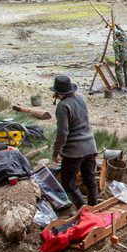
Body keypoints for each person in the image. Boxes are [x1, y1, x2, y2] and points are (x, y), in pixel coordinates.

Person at [50, 75, 99, 209]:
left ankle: (83, 210)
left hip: (73, 151)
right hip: (91, 146)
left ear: (57, 93)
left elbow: (62, 133)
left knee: (68, 183)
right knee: (90, 180)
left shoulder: (62, 106)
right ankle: (94, 209)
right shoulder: (81, 99)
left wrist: (56, 152)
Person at [112, 24, 127, 89]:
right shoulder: (125, 36)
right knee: (126, 70)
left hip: (121, 58)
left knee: (118, 71)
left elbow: (117, 52)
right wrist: (117, 26)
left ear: (116, 36)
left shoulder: (116, 42)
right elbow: (122, 30)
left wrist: (116, 60)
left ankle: (121, 84)